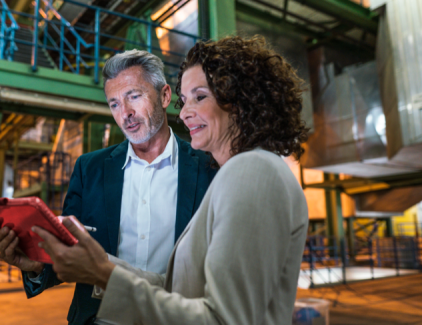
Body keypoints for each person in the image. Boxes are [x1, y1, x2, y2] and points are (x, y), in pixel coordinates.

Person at [33, 35, 310, 324]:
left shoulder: (252, 170)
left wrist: (103, 274)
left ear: (240, 100)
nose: (186, 112)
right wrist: (97, 266)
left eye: (200, 97)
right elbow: (175, 286)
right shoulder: (247, 168)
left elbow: (224, 319)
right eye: (114, 103)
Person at [0, 50, 216, 325]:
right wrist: (37, 266)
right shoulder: (89, 169)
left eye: (134, 96)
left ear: (165, 96)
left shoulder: (208, 168)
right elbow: (69, 251)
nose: (126, 114)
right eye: (114, 104)